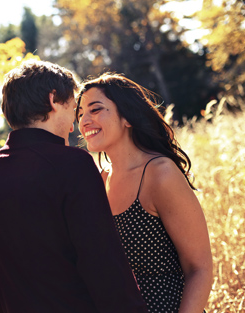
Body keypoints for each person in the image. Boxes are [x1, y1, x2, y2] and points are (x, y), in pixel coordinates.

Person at [0, 60, 148, 313]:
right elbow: (105, 270)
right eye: (73, 106)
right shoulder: (73, 165)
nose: (74, 123)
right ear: (53, 99)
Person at [76, 72, 213, 313]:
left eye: (95, 110)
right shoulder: (100, 180)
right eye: (80, 114)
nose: (84, 121)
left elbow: (199, 269)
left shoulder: (160, 174)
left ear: (127, 117)